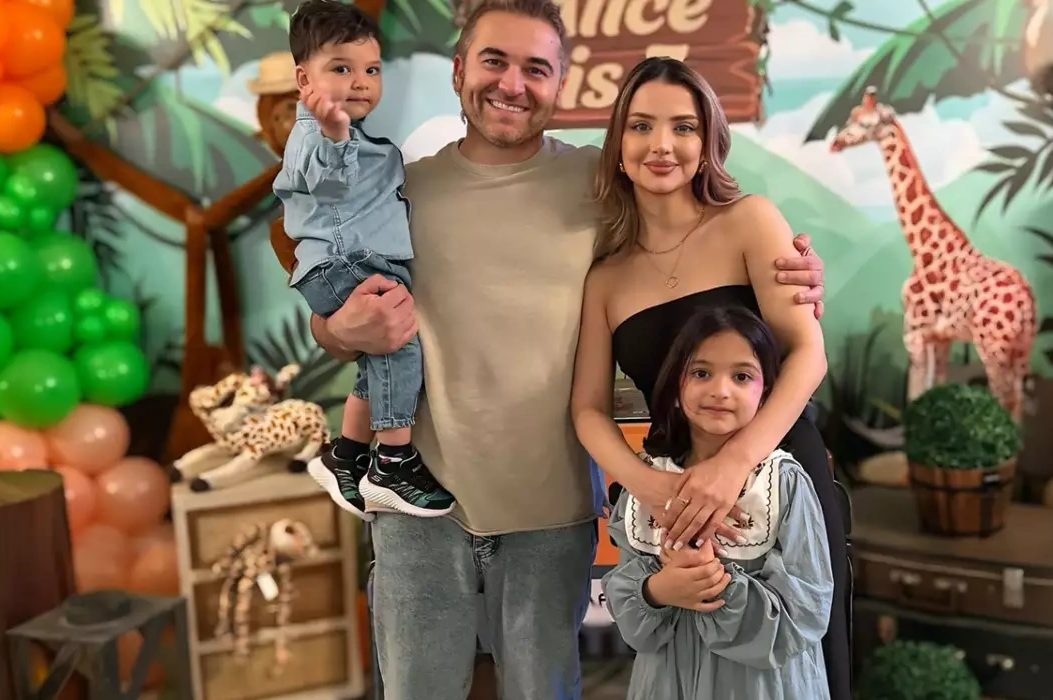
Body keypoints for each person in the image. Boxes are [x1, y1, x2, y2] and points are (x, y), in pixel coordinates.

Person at [298, 0, 828, 695]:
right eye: (494, 61)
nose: (512, 84)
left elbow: (711, 249)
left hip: (550, 513)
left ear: (560, 85)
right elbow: (330, 298)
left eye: (535, 68)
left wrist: (798, 272)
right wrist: (340, 330)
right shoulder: (398, 190)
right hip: (417, 505)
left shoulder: (599, 185)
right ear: (458, 70)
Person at [569, 57, 852, 698]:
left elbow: (808, 354)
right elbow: (587, 409)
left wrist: (736, 463)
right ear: (618, 146)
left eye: (683, 127)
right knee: (682, 655)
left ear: (707, 144)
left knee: (803, 657)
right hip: (675, 486)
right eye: (641, 126)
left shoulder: (750, 221)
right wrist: (647, 485)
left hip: (779, 468)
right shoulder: (606, 277)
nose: (661, 145)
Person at [274, 0, 454, 522]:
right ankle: (393, 460)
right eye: (341, 68)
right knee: (399, 343)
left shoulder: (356, 137)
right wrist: (333, 135)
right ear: (304, 79)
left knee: (377, 363)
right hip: (344, 262)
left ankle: (347, 454)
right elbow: (330, 185)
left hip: (356, 263)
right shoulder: (314, 135)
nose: (360, 82)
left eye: (371, 70)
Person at [603, 305, 832, 699]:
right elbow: (627, 611)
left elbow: (807, 610)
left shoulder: (781, 484)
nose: (720, 390)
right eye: (701, 373)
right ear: (676, 390)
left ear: (767, 395)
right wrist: (657, 590)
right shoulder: (648, 486)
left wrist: (714, 583)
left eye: (742, 376)